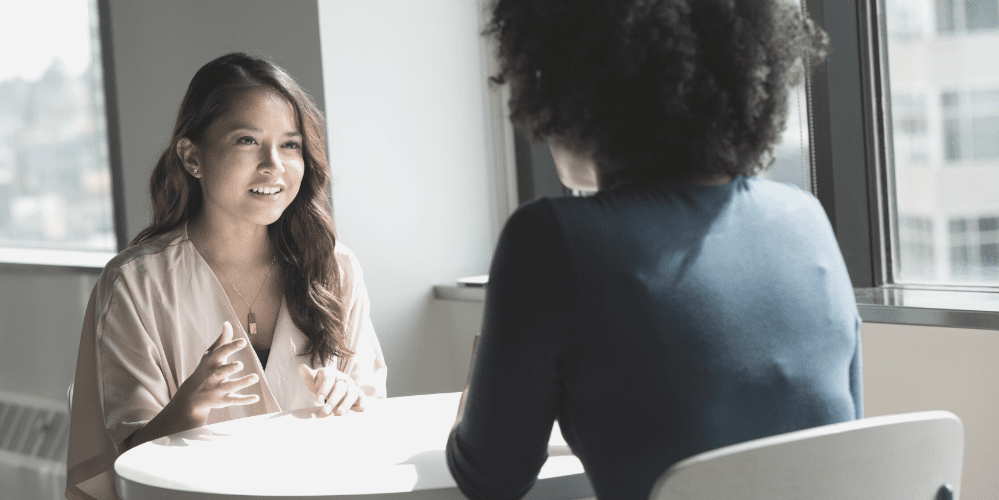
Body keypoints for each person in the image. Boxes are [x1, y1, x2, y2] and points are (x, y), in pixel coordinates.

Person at [446, 1, 861, 499]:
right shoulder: (806, 219)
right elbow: (847, 441)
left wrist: (473, 405)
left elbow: (490, 480)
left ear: (565, 77)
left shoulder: (551, 239)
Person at [66, 53, 387, 500]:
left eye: (290, 145)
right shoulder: (134, 285)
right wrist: (187, 409)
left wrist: (350, 398)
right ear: (191, 156)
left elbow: (376, 426)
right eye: (247, 141)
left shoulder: (335, 269)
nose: (273, 164)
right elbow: (122, 471)